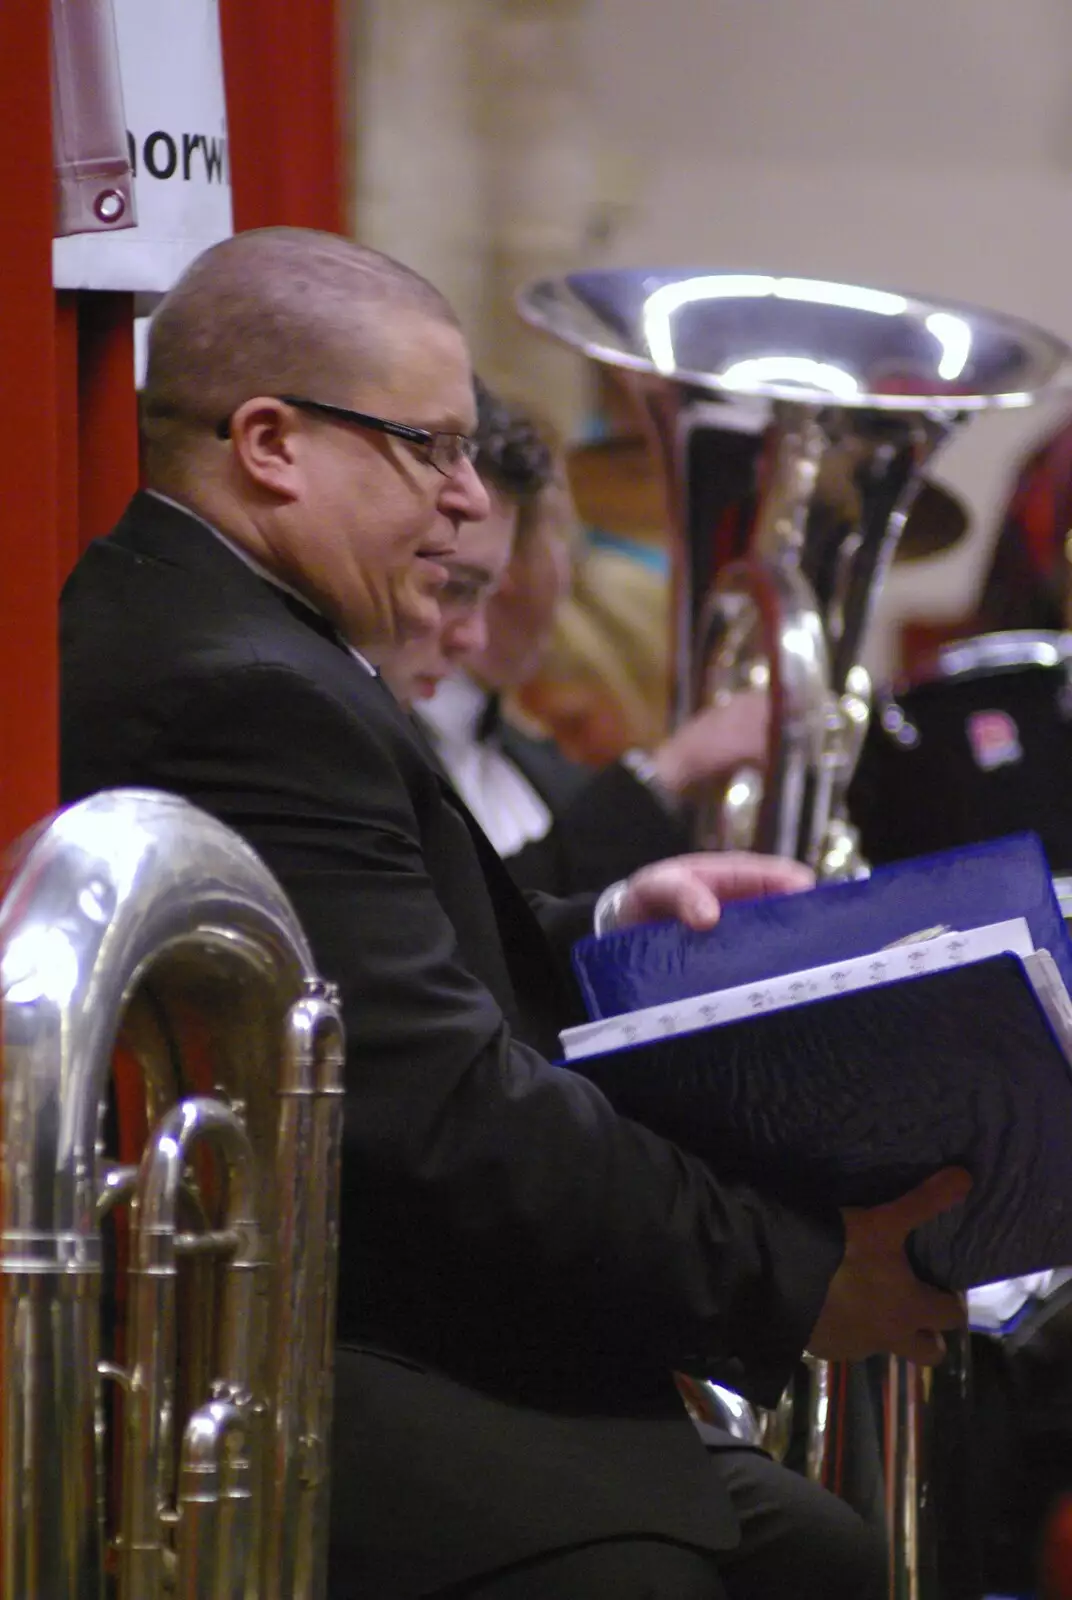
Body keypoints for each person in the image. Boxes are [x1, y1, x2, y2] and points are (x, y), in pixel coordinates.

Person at [60, 225, 968, 1600]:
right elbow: (441, 1108)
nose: (474, 502)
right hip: (328, 1365)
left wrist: (607, 913)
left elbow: (369, 967)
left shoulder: (247, 637)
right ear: (270, 443)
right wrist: (791, 1272)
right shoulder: (241, 684)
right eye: (432, 448)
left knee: (821, 1553)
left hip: (379, 1320)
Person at [402, 386, 768, 895]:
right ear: (510, 568)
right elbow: (476, 924)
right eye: (563, 538)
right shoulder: (375, 738)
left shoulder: (541, 767)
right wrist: (668, 771)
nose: (570, 573)